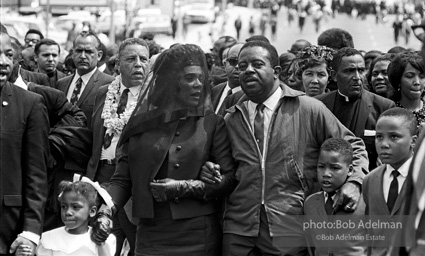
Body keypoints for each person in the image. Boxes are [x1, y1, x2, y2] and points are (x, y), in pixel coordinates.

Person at [202, 40, 368, 255]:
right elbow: (223, 167)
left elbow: (353, 145)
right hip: (239, 227)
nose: (248, 71)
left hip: (289, 224)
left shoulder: (308, 108)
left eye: (257, 64)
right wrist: (211, 171)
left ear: (276, 71)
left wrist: (354, 182)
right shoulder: (231, 116)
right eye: (242, 66)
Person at [92, 44, 236, 255]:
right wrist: (106, 212)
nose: (198, 85)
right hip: (151, 231)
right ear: (170, 83)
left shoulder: (212, 124)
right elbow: (122, 179)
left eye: (200, 78)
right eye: (189, 78)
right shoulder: (141, 125)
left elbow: (229, 179)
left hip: (198, 233)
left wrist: (183, 186)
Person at [87, 38, 150, 256]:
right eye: (131, 59)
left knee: (134, 245)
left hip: (132, 183)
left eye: (144, 59)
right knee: (102, 245)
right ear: (117, 65)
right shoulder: (104, 92)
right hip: (101, 177)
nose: (139, 64)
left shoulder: (152, 98)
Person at [0, 25, 49, 256]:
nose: (3, 62)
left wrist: (30, 231)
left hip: (8, 229)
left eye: (9, 55)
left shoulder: (30, 104)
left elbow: (36, 175)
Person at [316, 47, 395, 170]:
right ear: (334, 75)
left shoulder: (383, 107)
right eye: (349, 71)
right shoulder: (319, 105)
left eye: (361, 70)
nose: (357, 77)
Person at [363, 108, 418, 256]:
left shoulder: (421, 178)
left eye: (394, 137)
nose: (384, 144)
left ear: (414, 141)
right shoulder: (370, 180)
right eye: (379, 137)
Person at [304, 138, 366, 256]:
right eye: (321, 167)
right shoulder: (310, 203)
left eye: (335, 168)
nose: (326, 174)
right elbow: (311, 246)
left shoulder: (365, 202)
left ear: (350, 170)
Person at [35, 178, 116, 256]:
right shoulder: (50, 239)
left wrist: (101, 242)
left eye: (75, 207)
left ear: (92, 211)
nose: (68, 212)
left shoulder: (101, 240)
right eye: (64, 206)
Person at [56, 31, 114, 128]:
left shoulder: (109, 84)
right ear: (72, 53)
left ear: (99, 55)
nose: (83, 56)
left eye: (88, 51)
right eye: (79, 51)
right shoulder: (62, 83)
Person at [388, 51, 425, 129]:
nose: (417, 82)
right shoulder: (389, 111)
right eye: (409, 76)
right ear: (398, 80)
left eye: (422, 77)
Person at [212, 43, 243, 115]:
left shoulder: (251, 97)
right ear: (225, 64)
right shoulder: (216, 90)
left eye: (242, 63)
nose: (237, 66)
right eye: (233, 61)